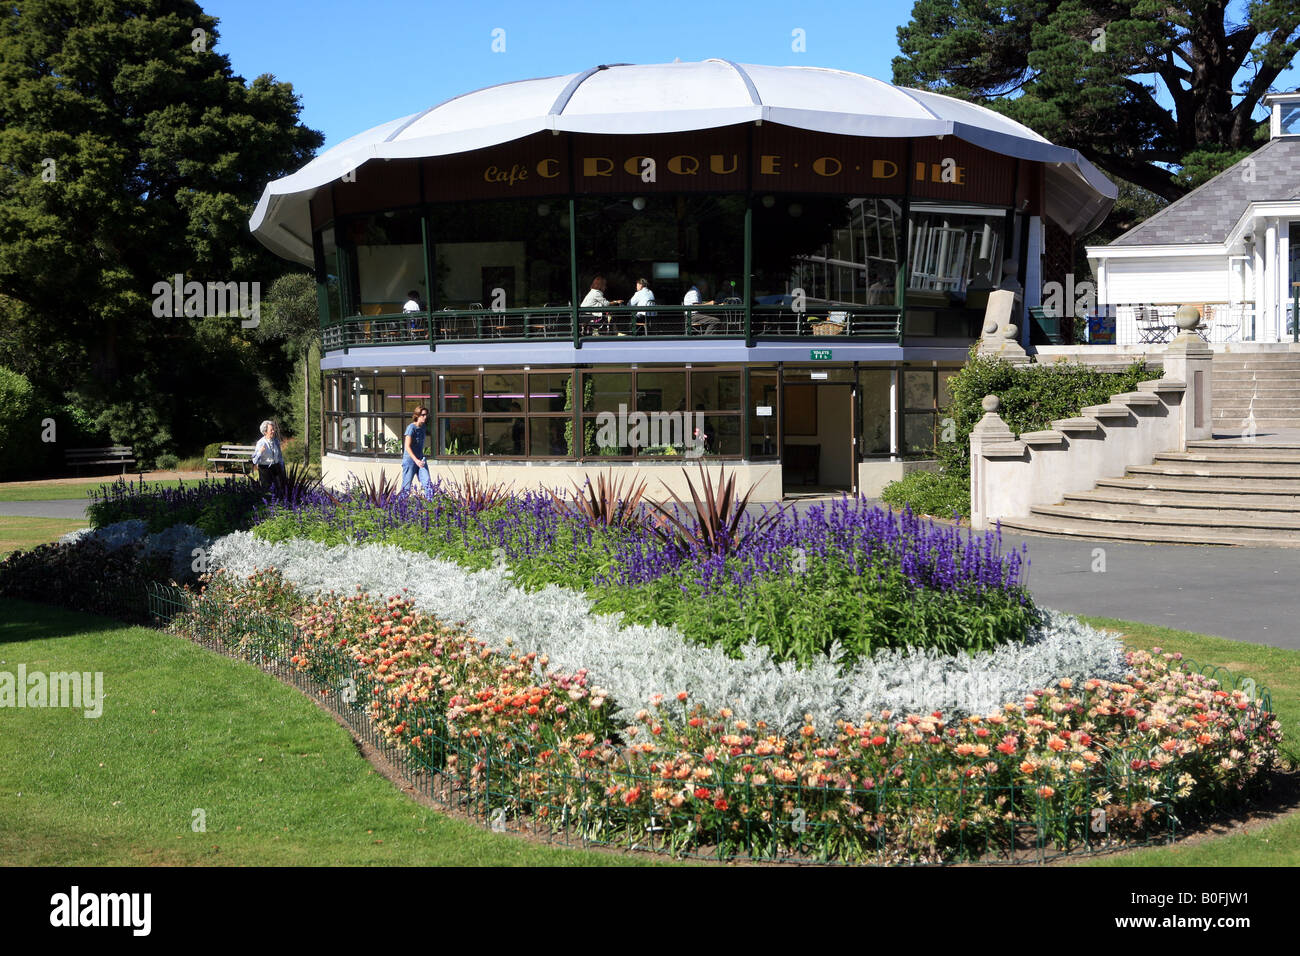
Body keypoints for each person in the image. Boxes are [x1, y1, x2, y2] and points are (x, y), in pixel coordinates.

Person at [402, 406, 432, 495]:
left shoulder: (423, 427)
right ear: (417, 415)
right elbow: (407, 446)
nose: (425, 417)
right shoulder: (411, 428)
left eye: (426, 415)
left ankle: (431, 506)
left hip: (420, 458)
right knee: (406, 487)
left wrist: (419, 460)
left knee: (428, 484)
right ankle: (401, 507)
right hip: (410, 460)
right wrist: (416, 461)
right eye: (423, 415)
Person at [251, 420, 286, 491]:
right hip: (265, 469)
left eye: (273, 429)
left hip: (276, 467)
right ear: (265, 432)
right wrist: (260, 452)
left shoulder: (276, 441)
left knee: (279, 490)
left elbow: (280, 456)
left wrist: (282, 468)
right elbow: (254, 461)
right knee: (267, 491)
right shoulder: (261, 443)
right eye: (271, 430)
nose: (273, 431)